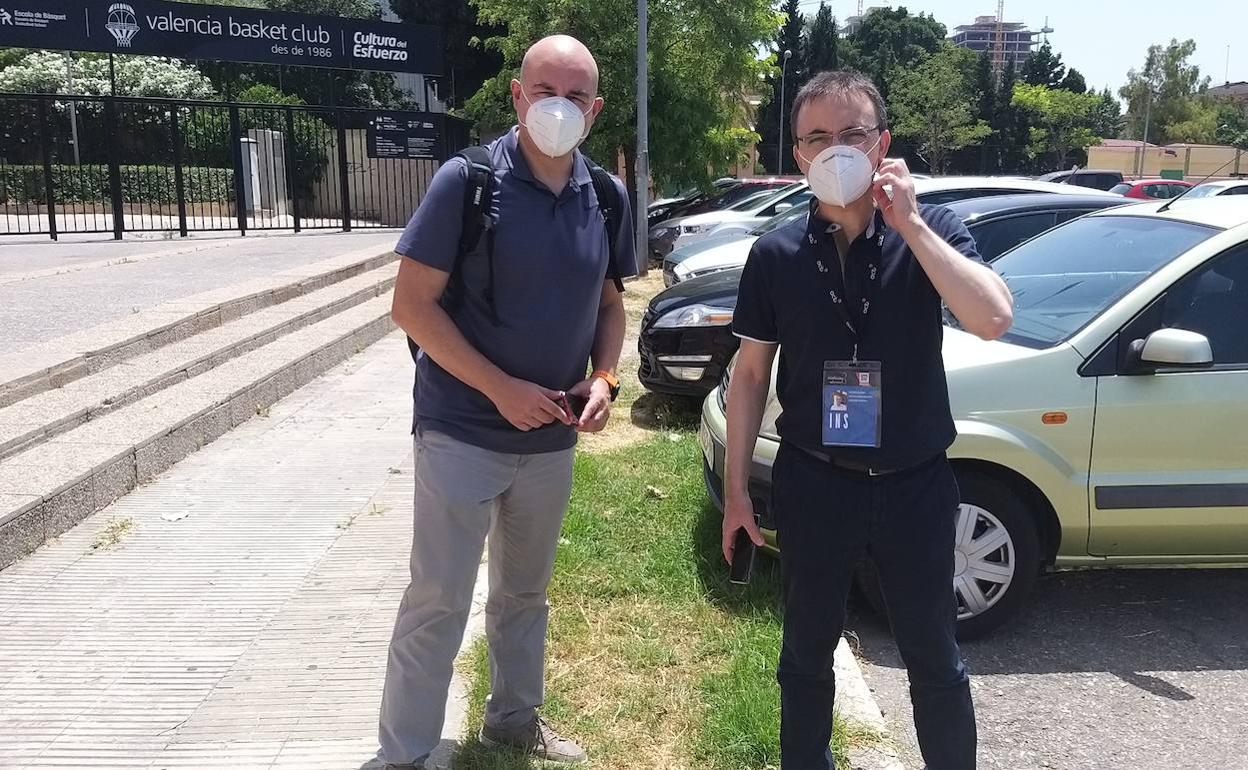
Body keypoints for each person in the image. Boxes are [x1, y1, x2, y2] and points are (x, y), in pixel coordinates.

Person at [721, 70, 1014, 770]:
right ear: (797, 155)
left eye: (852, 134)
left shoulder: (930, 230)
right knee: (804, 657)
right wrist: (737, 491)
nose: (835, 150)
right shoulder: (776, 253)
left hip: (915, 485)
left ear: (882, 144)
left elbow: (994, 317)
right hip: (815, 483)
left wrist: (909, 221)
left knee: (935, 660)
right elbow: (752, 375)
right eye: (817, 138)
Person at [380, 34, 635, 769]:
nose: (559, 106)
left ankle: (513, 721)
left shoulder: (605, 195)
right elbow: (411, 306)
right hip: (461, 431)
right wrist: (500, 387)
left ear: (595, 109)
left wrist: (606, 378)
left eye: (575, 95)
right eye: (544, 90)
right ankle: (405, 753)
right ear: (518, 96)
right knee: (438, 599)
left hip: (549, 443)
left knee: (525, 596)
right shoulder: (468, 181)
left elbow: (611, 305)